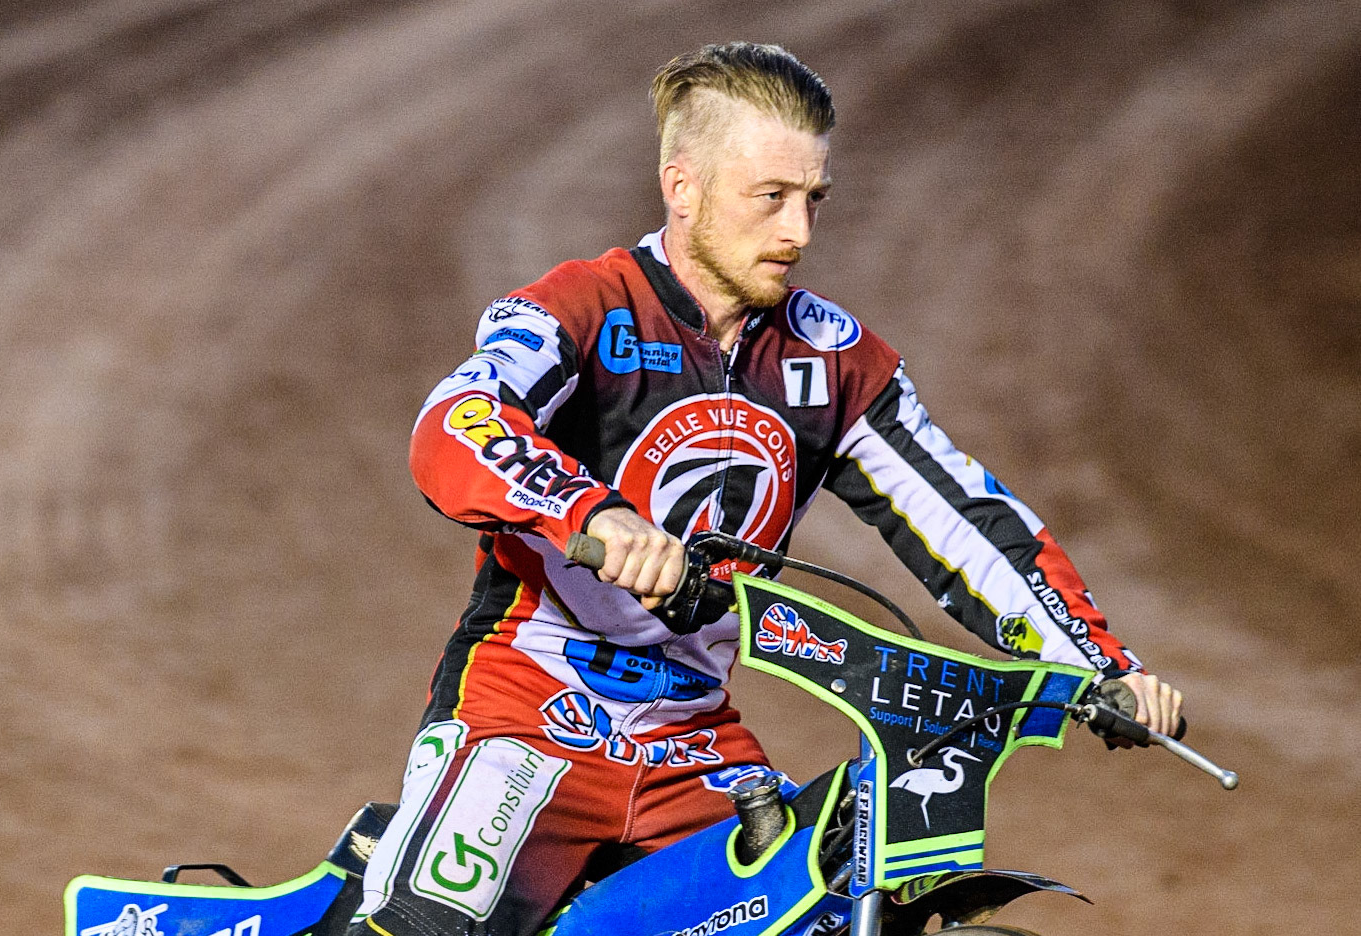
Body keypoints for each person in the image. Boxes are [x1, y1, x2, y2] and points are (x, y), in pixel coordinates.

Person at [349, 41, 1183, 936]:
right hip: (522, 713)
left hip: (694, 742)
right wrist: (596, 515)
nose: (798, 233)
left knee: (831, 901)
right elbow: (455, 422)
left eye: (813, 199)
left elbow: (964, 522)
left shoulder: (836, 362)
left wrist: (1098, 665)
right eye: (771, 199)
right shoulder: (581, 306)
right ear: (684, 187)